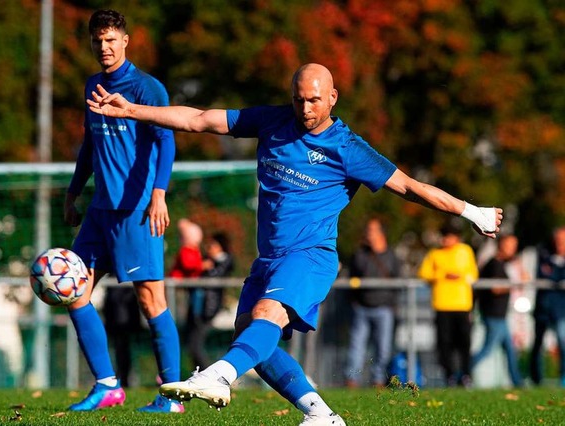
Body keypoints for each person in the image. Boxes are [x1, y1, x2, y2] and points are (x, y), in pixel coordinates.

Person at [87, 63, 502, 425]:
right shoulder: (272, 120)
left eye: (315, 101)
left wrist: (472, 212)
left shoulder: (347, 147)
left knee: (266, 317)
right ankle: (321, 413)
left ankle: (219, 376)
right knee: (253, 336)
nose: (306, 109)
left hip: (311, 256)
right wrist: (133, 110)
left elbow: (410, 187)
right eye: (299, 99)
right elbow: (199, 119)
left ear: (333, 97)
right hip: (269, 258)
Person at [62, 9, 183, 413]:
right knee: (74, 292)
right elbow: (88, 146)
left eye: (111, 39)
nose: (104, 47)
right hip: (100, 211)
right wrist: (73, 193)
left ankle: (172, 396)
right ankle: (107, 385)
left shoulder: (148, 88)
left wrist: (159, 194)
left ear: (126, 41)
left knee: (151, 302)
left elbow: (167, 143)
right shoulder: (92, 85)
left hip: (137, 211)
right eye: (98, 40)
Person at [418, 220, 478, 387]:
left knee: (464, 342)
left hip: (462, 304)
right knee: (445, 343)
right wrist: (443, 275)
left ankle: (466, 374)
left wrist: (459, 276)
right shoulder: (435, 254)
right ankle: (449, 375)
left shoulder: (465, 251)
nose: (445, 240)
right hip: (442, 304)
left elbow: (472, 274)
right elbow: (424, 273)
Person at [345, 217, 401, 388]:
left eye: (372, 230)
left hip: (384, 308)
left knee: (383, 348)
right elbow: (354, 275)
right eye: (367, 230)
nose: (368, 234)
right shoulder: (360, 254)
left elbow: (398, 280)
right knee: (356, 347)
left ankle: (378, 380)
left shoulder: (392, 256)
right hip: (362, 307)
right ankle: (352, 380)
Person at [471, 234, 525, 387]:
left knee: (510, 351)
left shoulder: (502, 264)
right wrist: (514, 284)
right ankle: (463, 373)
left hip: (500, 315)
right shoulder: (494, 264)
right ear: (501, 245)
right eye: (510, 246)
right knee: (487, 350)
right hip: (493, 314)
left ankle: (517, 382)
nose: (513, 249)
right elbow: (495, 288)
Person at [189, 232, 234, 369]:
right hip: (198, 307)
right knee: (193, 343)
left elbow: (216, 275)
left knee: (196, 344)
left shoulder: (224, 261)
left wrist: (205, 267)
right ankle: (200, 373)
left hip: (210, 309)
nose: (209, 248)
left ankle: (206, 373)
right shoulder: (206, 261)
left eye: (213, 245)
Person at [529, 226, 565, 387]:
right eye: (558, 240)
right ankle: (536, 379)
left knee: (563, 344)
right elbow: (546, 275)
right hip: (543, 309)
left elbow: (554, 275)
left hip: (561, 310)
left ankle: (563, 379)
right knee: (537, 346)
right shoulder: (544, 255)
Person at [102, 286, 142, 388]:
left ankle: (122, 378)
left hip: (123, 306)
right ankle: (113, 378)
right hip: (116, 305)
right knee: (118, 346)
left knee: (123, 345)